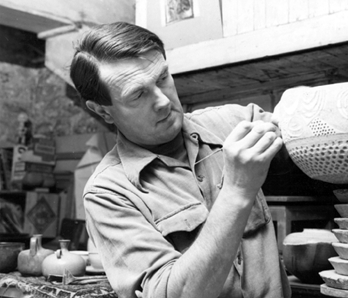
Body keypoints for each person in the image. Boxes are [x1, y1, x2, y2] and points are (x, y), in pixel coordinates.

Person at [70, 21, 291, 298]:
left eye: (162, 77)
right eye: (138, 94)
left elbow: (308, 135)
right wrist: (236, 191)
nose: (163, 100)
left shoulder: (234, 123)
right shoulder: (108, 193)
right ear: (103, 112)